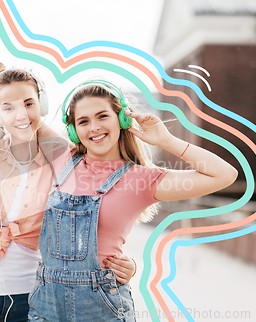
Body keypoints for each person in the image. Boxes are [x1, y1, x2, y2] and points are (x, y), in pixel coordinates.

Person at [0, 18, 135, 322]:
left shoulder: (58, 158)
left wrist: (124, 264)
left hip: (31, 301)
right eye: (8, 108)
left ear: (42, 106)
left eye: (30, 104)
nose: (20, 113)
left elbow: (98, 216)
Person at [27, 81, 238, 321]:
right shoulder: (62, 157)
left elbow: (225, 175)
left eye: (102, 116)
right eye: (83, 121)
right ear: (74, 130)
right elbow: (22, 107)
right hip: (46, 306)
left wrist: (165, 140)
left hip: (101, 308)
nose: (94, 127)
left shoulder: (141, 179)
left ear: (122, 120)